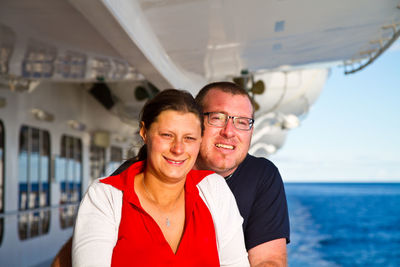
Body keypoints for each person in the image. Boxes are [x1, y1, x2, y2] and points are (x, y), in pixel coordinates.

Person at [72, 89, 249, 266]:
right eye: (167, 135)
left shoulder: (213, 189)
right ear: (144, 133)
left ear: (200, 140)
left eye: (189, 138)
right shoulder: (106, 196)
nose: (178, 149)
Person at [194, 82, 290, 267]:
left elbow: (268, 260)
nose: (229, 131)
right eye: (217, 118)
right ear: (194, 122)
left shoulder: (262, 175)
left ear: (251, 131)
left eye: (242, 122)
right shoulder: (152, 173)